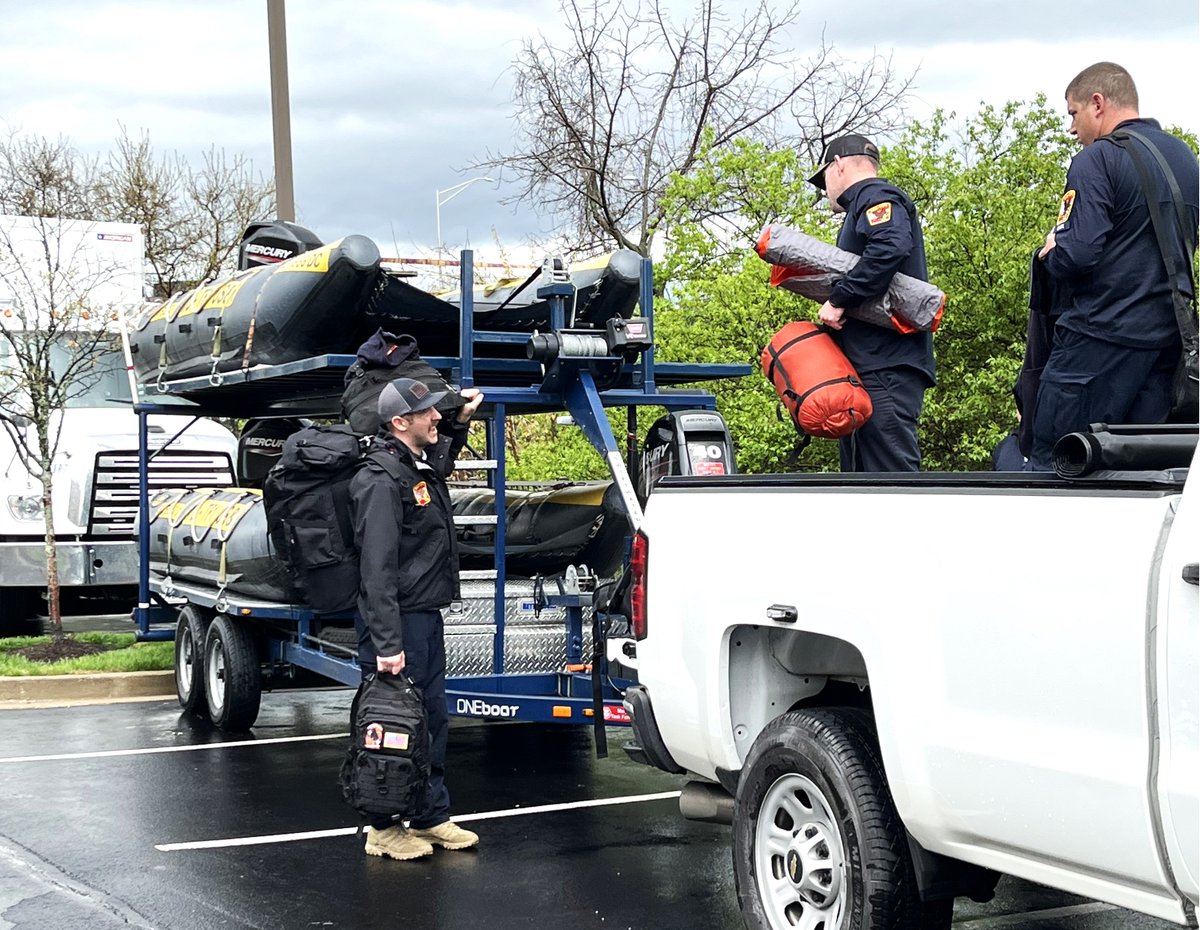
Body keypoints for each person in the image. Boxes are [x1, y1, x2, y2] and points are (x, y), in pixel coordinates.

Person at [1029, 62, 1199, 470]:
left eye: (1073, 113)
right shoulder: (1184, 159)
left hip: (1096, 341)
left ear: (1098, 104)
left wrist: (1053, 249)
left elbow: (1078, 254)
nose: (1072, 128)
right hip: (1166, 345)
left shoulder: (1096, 160)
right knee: (1144, 473)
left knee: (1058, 462)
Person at [350, 376, 484, 861]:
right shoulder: (379, 481)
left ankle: (429, 814)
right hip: (396, 621)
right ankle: (383, 827)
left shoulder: (413, 467)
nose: (436, 417)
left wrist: (461, 423)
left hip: (423, 617)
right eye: (428, 412)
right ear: (399, 421)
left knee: (430, 720)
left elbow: (441, 464)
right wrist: (387, 644)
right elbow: (376, 569)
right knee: (390, 724)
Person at [808, 133, 937, 471]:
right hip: (870, 367)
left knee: (891, 482)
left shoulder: (876, 194)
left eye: (823, 182)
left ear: (837, 165)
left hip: (886, 367)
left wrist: (839, 299)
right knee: (863, 485)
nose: (825, 194)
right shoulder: (863, 205)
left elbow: (890, 246)